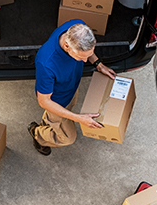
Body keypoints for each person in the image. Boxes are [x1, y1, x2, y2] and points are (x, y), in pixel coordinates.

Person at [28, 20, 117, 155]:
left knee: (64, 113)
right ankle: (37, 133)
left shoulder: (78, 27)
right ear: (67, 46)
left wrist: (99, 64)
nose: (86, 61)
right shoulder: (46, 63)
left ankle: (49, 122)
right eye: (81, 57)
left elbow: (87, 52)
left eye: (88, 55)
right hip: (57, 101)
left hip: (71, 87)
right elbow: (43, 101)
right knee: (67, 138)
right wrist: (78, 118)